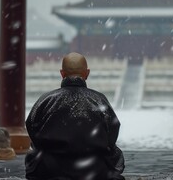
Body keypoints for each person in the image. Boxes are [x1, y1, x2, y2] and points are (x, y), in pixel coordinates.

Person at [25, 52, 125, 180]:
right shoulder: (99, 100)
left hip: (52, 169)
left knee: (36, 151)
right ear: (87, 73)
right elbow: (112, 134)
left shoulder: (46, 100)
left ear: (62, 73)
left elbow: (32, 129)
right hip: (94, 169)